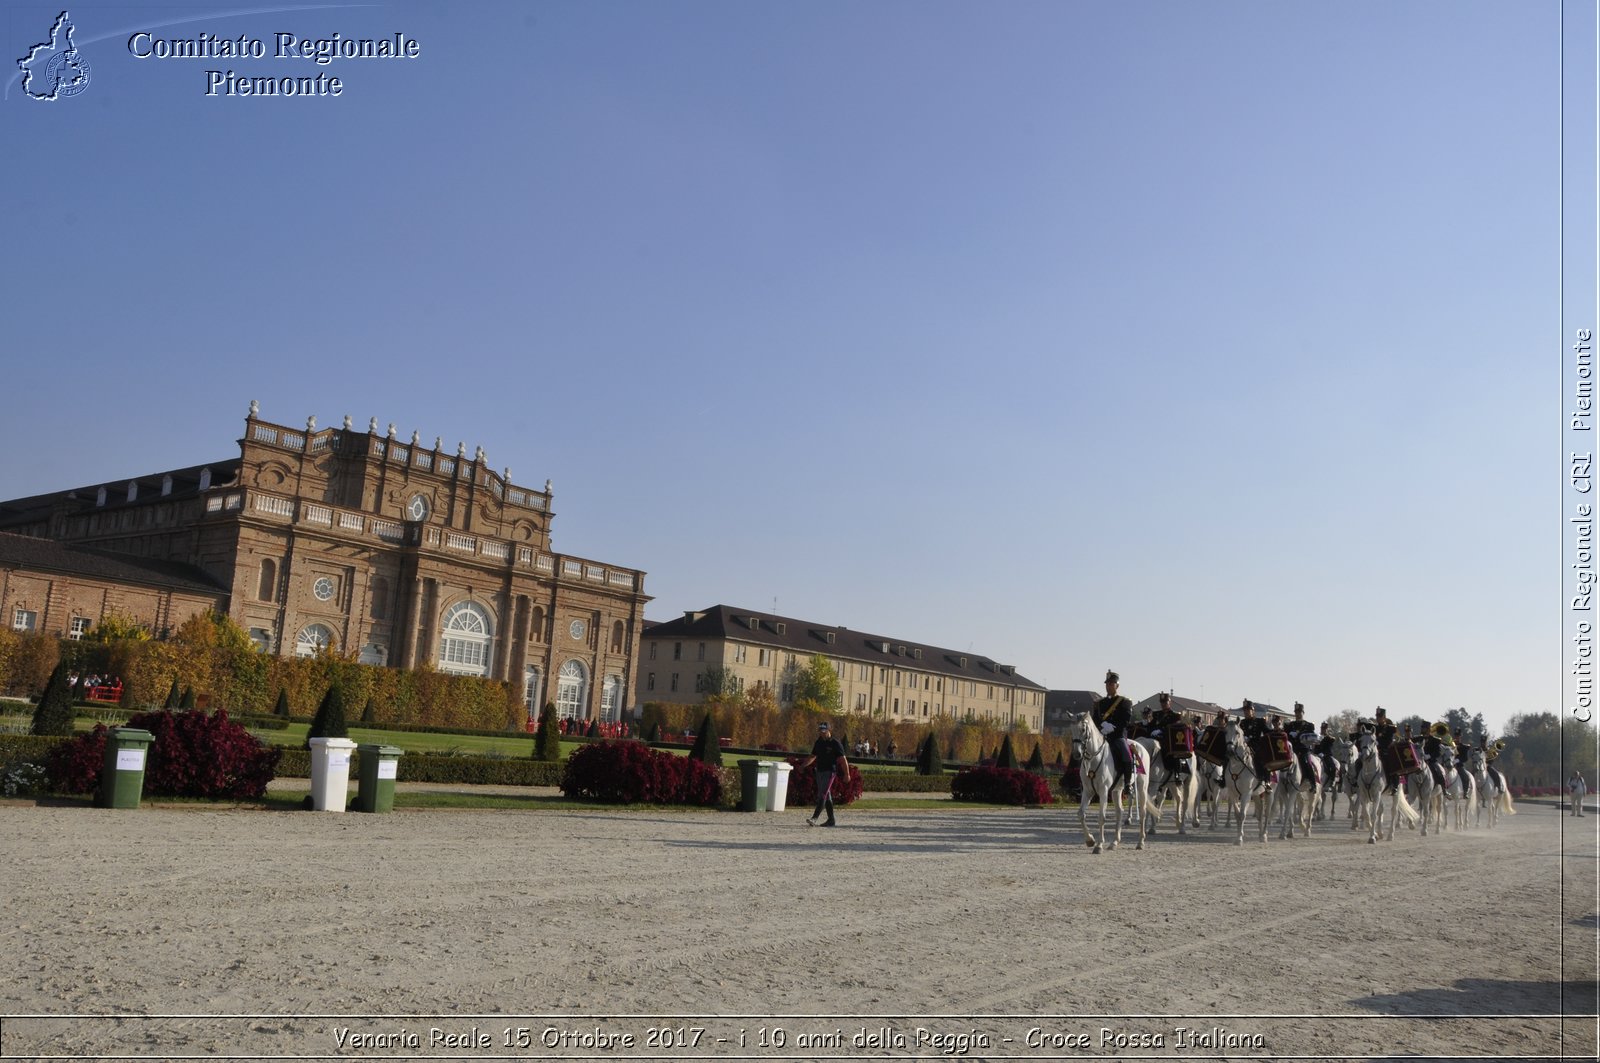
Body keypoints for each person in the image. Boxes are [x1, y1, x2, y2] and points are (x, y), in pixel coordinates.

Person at [1092, 670, 1135, 798]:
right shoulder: (1100, 703)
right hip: (1102, 736)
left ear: (1117, 685)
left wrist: (1113, 727)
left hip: (1117, 736)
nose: (1108, 686)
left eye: (1111, 684)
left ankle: (1128, 784)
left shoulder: (1124, 702)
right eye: (1107, 684)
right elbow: (1095, 719)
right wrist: (1102, 726)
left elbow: (1126, 719)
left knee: (1127, 756)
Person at [797, 721, 849, 827]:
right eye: (820, 730)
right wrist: (803, 765)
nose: (822, 733)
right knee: (827, 795)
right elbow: (813, 756)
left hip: (830, 771)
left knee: (823, 794)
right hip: (819, 771)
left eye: (824, 731)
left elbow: (843, 760)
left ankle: (814, 818)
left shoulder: (835, 743)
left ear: (829, 730)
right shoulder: (819, 742)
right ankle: (831, 820)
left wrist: (847, 774)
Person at [1239, 700, 1271, 790]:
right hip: (1244, 746)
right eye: (1244, 710)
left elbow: (1266, 731)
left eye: (1248, 710)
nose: (1246, 712)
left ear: (1253, 711)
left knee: (1261, 758)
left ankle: (1265, 779)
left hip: (1256, 745)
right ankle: (1225, 779)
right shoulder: (1241, 723)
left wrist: (1276, 731)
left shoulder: (1259, 721)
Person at [1283, 702, 1317, 783]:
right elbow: (1285, 736)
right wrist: (1290, 735)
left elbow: (1311, 737)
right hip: (1292, 750)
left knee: (1306, 763)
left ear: (1303, 713)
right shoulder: (1290, 725)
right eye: (1296, 712)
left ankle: (1312, 783)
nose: (1297, 714)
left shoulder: (1308, 725)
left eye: (1299, 712)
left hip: (1303, 749)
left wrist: (1299, 735)